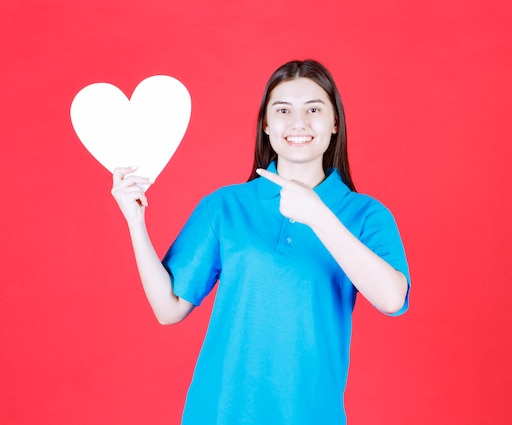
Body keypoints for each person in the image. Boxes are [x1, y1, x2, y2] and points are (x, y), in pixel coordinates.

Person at [111, 59, 410, 424]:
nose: (298, 123)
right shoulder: (225, 206)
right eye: (282, 110)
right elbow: (168, 309)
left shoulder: (365, 214)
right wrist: (135, 220)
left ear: (334, 123)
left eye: (313, 109)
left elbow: (393, 299)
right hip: (218, 412)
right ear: (266, 124)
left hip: (311, 414)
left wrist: (318, 215)